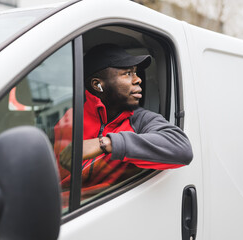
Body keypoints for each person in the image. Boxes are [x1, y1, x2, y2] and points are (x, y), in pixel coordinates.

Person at [55, 44, 193, 202]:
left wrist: (105, 143)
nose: (138, 79)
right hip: (61, 209)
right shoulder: (70, 119)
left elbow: (183, 149)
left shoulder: (141, 120)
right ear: (97, 85)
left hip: (103, 209)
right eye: (128, 73)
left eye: (135, 72)